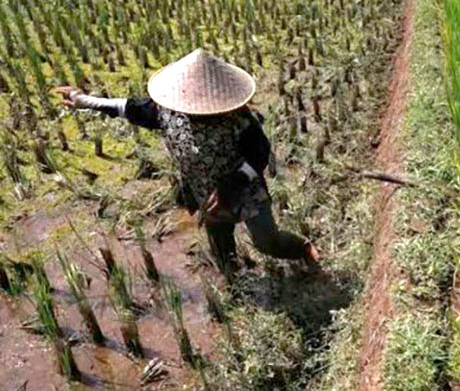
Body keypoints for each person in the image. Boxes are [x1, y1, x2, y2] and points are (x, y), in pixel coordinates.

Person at [56, 48, 320, 276]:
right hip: (205, 191)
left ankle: (302, 248)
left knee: (266, 241)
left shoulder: (239, 119)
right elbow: (129, 107)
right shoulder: (167, 111)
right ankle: (234, 283)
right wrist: (84, 100)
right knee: (221, 246)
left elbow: (260, 153)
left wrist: (233, 183)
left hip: (244, 187)